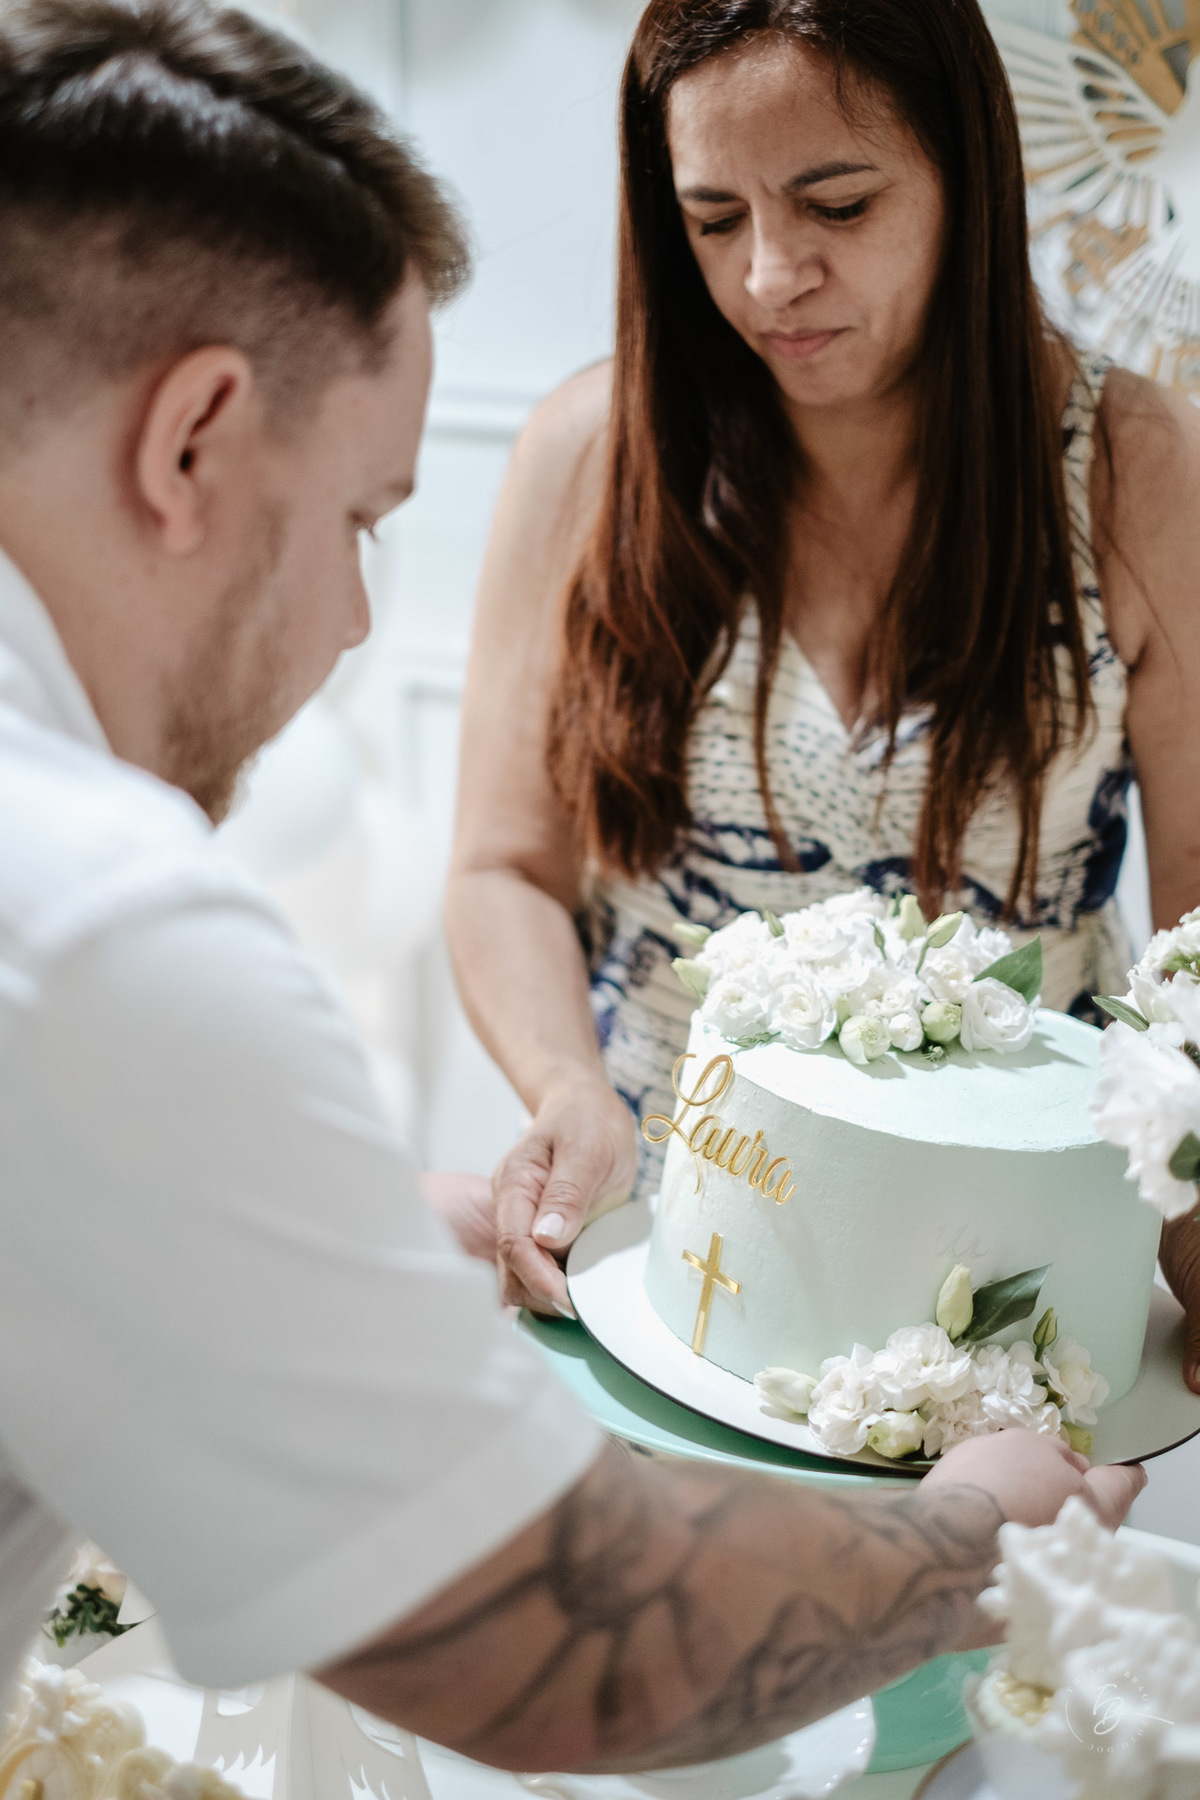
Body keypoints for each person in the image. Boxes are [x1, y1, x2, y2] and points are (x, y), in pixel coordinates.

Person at [0, 0, 1143, 1777]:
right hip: (671, 1279)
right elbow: (588, 1652)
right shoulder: (101, 930)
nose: (368, 620)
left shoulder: (1134, 471)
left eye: (837, 201)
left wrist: (336, 1237)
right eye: (368, 520)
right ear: (194, 440)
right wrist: (970, 1534)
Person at [446, 0, 1200, 1370]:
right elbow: (503, 866)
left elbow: (1199, 909)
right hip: (664, 1236)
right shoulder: (588, 457)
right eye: (714, 217)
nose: (769, 276)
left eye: (836, 205)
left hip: (1011, 1278)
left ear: (967, 176)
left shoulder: (1130, 470)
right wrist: (562, 1088)